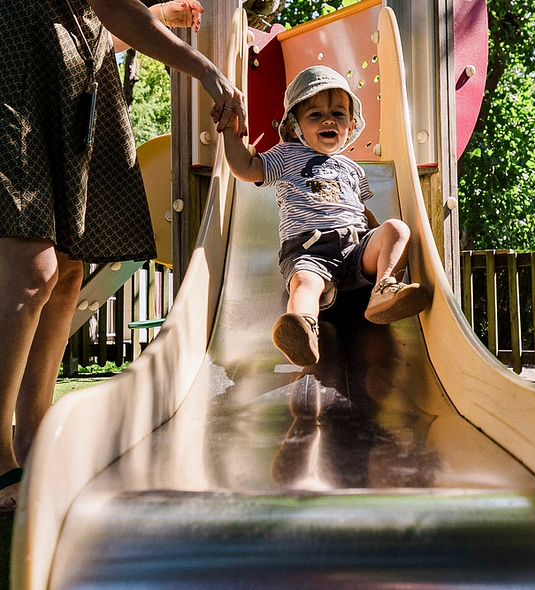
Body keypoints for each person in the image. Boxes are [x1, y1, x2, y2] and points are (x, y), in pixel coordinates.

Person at [0, 0, 247, 513]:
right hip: (19, 80)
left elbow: (93, 18)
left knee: (68, 271)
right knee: (32, 270)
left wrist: (150, 16)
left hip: (68, 89)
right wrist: (204, 67)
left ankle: (35, 437)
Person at [219, 65, 429, 368]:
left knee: (396, 228)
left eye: (338, 114)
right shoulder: (286, 154)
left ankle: (384, 291)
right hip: (309, 250)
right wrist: (230, 132)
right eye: (315, 115)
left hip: (355, 248)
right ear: (294, 126)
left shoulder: (353, 169)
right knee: (305, 282)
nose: (328, 120)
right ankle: (303, 327)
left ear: (351, 124)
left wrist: (379, 236)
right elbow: (245, 168)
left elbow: (362, 210)